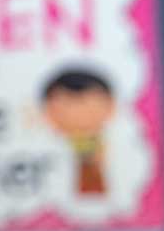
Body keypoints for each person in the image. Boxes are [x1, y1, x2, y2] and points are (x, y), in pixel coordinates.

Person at [40, 68, 116, 197]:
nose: (75, 114)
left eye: (88, 108)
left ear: (110, 107)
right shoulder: (47, 147)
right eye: (65, 106)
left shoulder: (106, 145)